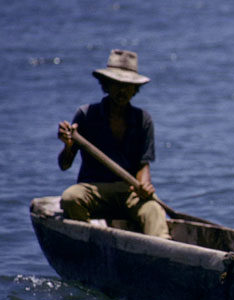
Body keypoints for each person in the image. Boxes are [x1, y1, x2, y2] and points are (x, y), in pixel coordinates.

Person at [57, 49, 171, 239]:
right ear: (106, 85)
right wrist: (67, 145)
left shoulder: (142, 120)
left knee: (154, 211)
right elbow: (64, 164)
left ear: (135, 89)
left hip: (128, 191)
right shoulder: (86, 115)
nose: (123, 90)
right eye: (117, 84)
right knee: (70, 198)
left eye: (128, 85)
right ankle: (90, 242)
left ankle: (164, 253)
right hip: (93, 189)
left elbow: (144, 164)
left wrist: (145, 184)